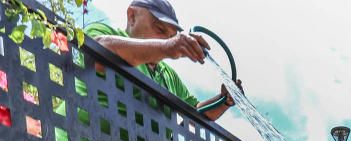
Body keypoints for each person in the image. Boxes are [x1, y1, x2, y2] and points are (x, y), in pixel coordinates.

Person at [84, 0, 237, 121]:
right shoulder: (103, 33)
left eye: (171, 37)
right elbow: (97, 53)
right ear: (132, 16)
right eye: (161, 30)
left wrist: (224, 100)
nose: (166, 39)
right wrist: (168, 47)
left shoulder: (169, 76)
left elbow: (197, 111)